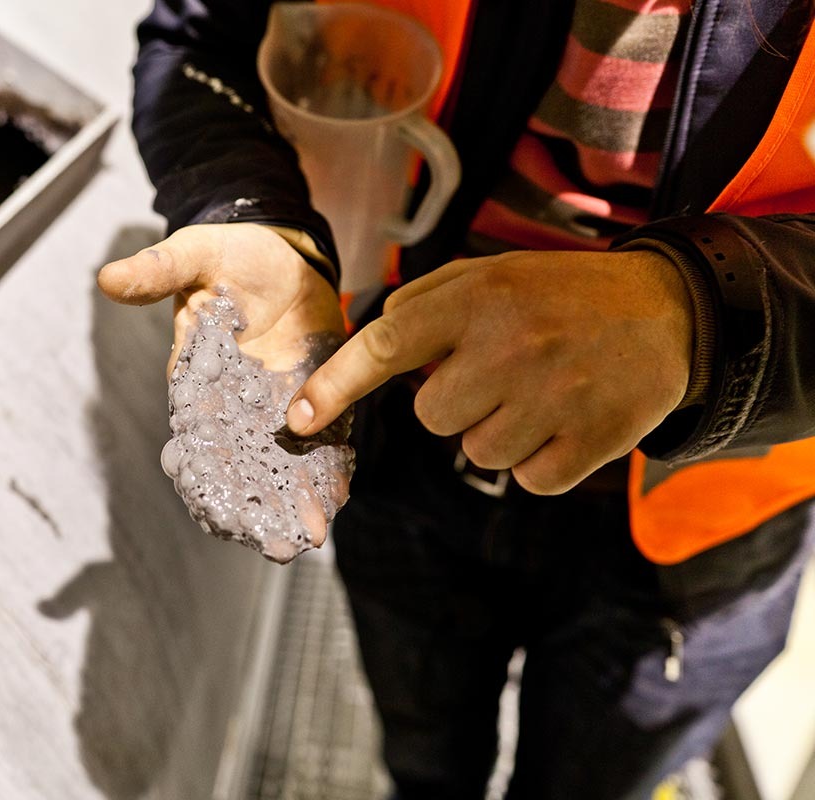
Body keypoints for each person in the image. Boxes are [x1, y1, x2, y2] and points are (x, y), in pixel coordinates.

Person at [98, 0, 815, 797]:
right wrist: (254, 207)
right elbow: (202, 35)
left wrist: (704, 315)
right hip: (406, 437)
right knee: (424, 763)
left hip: (701, 524)